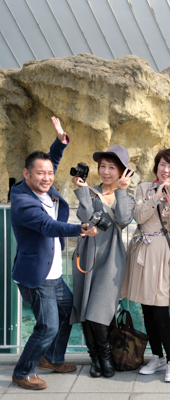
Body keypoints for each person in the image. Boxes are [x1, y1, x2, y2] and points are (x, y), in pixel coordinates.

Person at [10, 117, 99, 390]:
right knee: (47, 326)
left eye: (49, 173)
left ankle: (51, 357)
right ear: (26, 174)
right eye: (40, 173)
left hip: (55, 273)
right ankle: (23, 371)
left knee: (66, 311)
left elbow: (52, 163)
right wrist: (80, 229)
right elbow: (48, 226)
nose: (47, 177)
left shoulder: (43, 186)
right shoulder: (23, 201)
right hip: (38, 276)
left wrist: (61, 143)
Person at [121, 148, 170, 383]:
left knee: (161, 311)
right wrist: (155, 198)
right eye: (162, 164)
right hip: (142, 253)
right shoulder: (144, 188)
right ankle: (157, 356)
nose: (166, 170)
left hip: (163, 254)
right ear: (156, 166)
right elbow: (138, 217)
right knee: (147, 311)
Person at [70, 145, 135, 378]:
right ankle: (95, 359)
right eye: (103, 166)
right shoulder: (91, 190)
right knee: (85, 307)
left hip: (111, 259)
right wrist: (84, 190)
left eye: (111, 167)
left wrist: (120, 191)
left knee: (100, 308)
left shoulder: (127, 196)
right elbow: (84, 217)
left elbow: (124, 219)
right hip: (86, 255)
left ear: (122, 172)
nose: (106, 172)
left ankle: (106, 357)